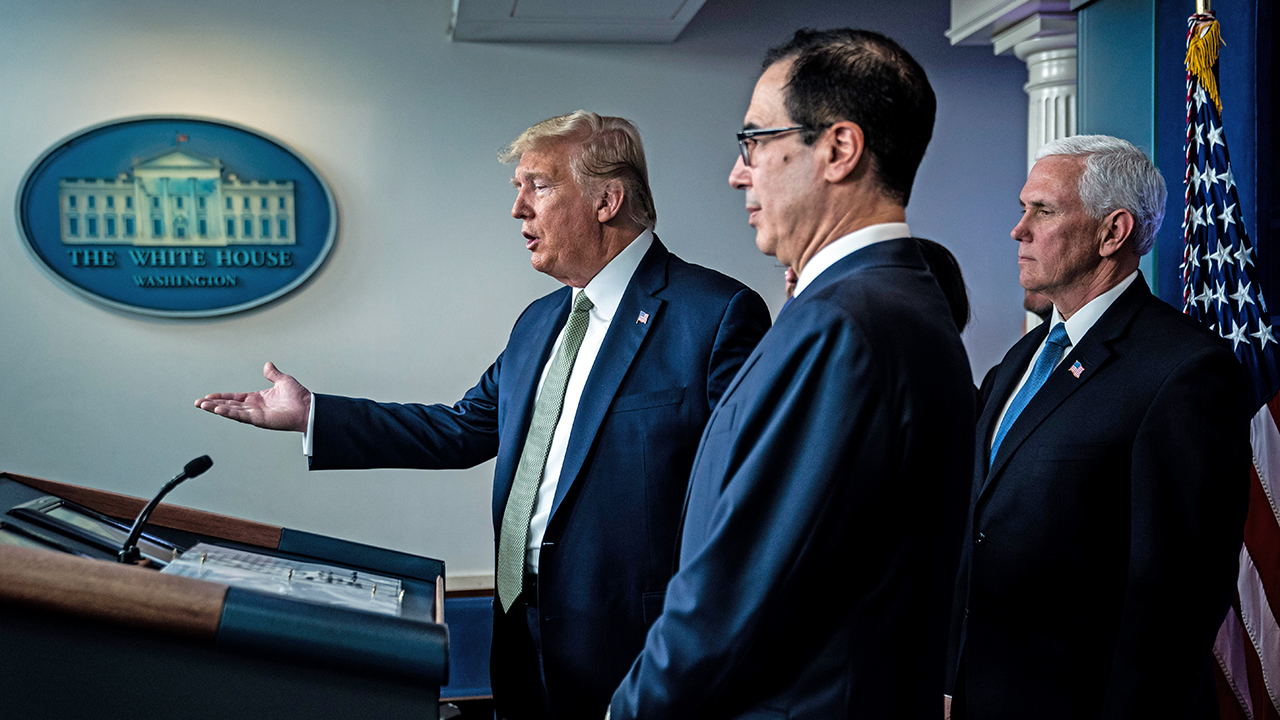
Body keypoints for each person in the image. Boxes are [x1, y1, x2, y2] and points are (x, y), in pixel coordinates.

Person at [194, 111, 771, 720]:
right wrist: (315, 415)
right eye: (517, 189)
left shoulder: (716, 314)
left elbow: (744, 500)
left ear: (607, 200)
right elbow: (464, 428)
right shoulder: (538, 324)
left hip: (640, 651)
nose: (518, 209)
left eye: (538, 186)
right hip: (521, 638)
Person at [609, 28, 975, 719]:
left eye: (754, 141)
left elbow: (736, 589)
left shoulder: (845, 323)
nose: (738, 172)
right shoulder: (899, 300)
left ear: (838, 150)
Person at [946, 135, 1250, 720]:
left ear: (1113, 233)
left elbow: (1176, 600)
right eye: (1022, 207)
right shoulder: (1022, 358)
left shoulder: (1186, 371)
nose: (1019, 229)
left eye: (1045, 210)